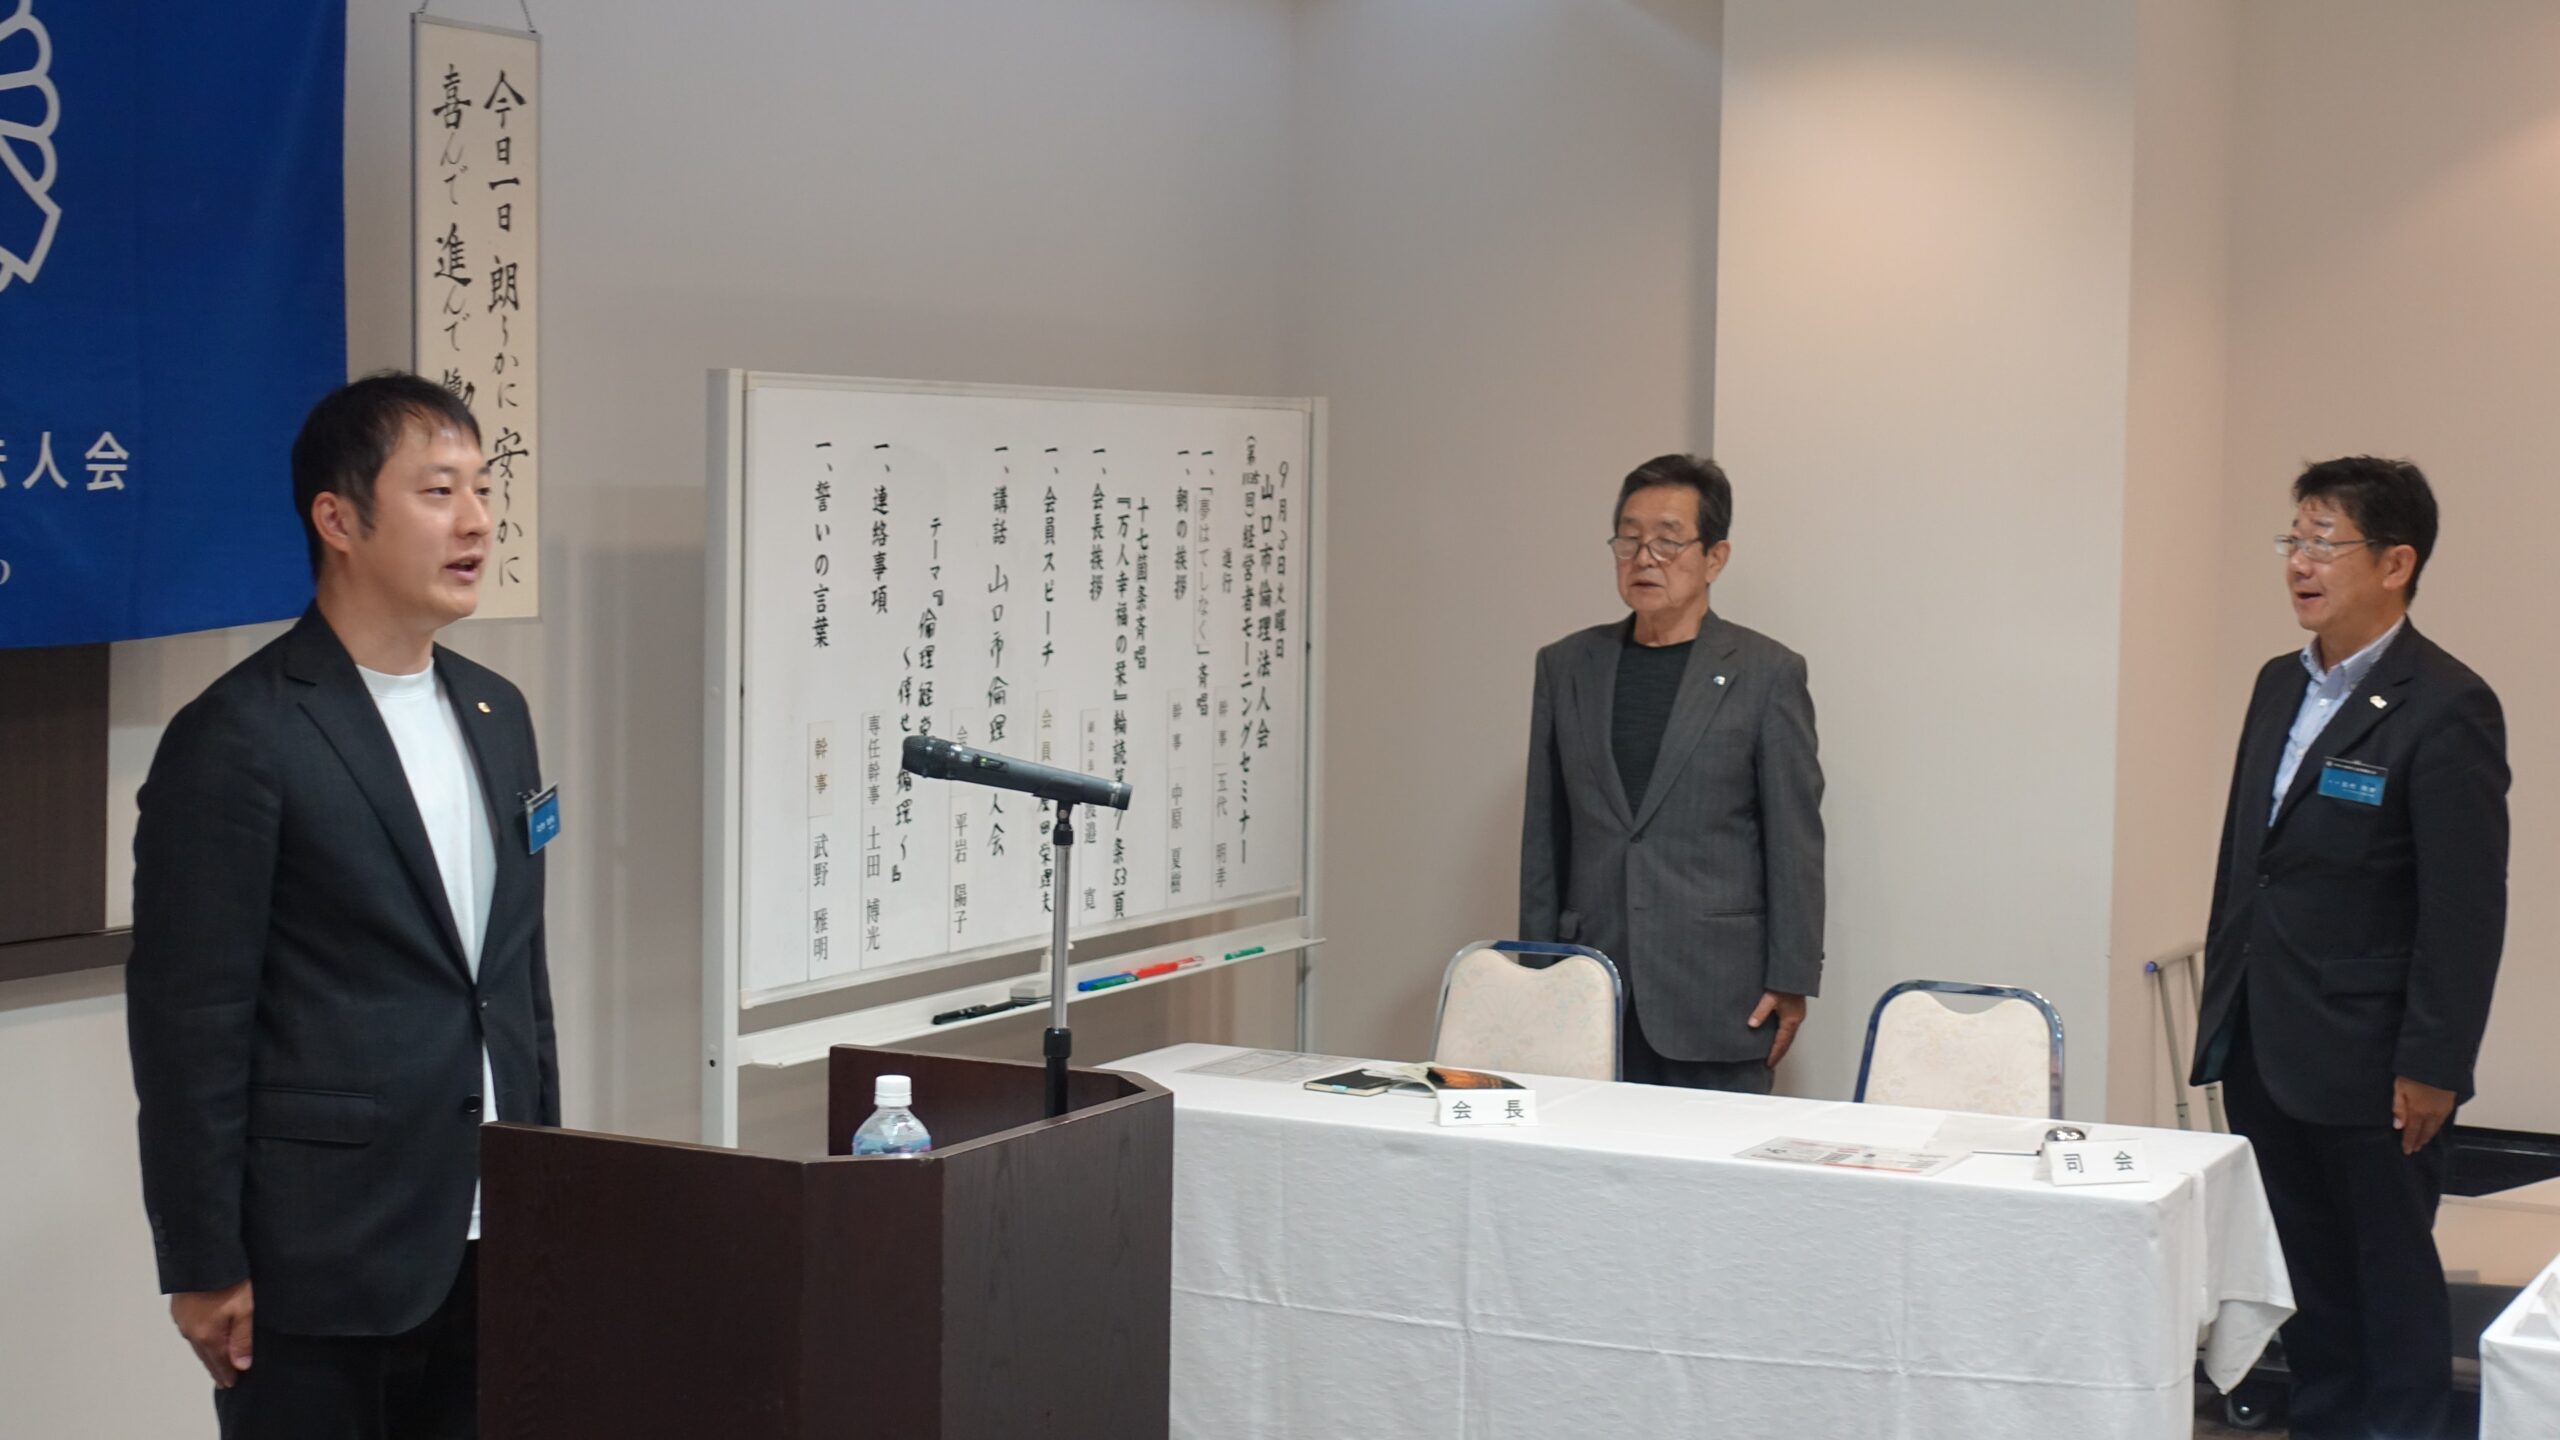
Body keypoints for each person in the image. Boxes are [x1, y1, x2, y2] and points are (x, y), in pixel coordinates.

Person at [127, 372, 559, 1439]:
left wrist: (550, 1180)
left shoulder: (498, 712)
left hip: (495, 1231)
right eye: (438, 491)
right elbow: (190, 1021)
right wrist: (202, 1260)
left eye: (483, 489)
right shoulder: (241, 733)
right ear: (337, 519)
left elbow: (515, 980)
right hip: (319, 1257)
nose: (477, 521)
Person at [2190, 455, 2507, 1440]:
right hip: (2265, 1039)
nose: (2299, 563)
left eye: (2324, 543)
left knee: (2390, 1289)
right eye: (2293, 540)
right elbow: (2249, 863)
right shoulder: (2274, 685)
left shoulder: (2445, 703)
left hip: (2374, 1061)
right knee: (2308, 1285)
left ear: (2396, 563)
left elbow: (2464, 907)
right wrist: (2223, 1010)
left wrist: (2434, 1063)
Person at [1518, 454, 1824, 1092]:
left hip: (1719, 989)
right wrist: (1538, 968)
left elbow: (1793, 839)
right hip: (1589, 983)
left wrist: (1791, 977)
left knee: (1716, 1157)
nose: (1644, 558)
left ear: (1715, 557)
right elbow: (1545, 834)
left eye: (1667, 540)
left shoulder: (1767, 673)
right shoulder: (1567, 666)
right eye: (1628, 540)